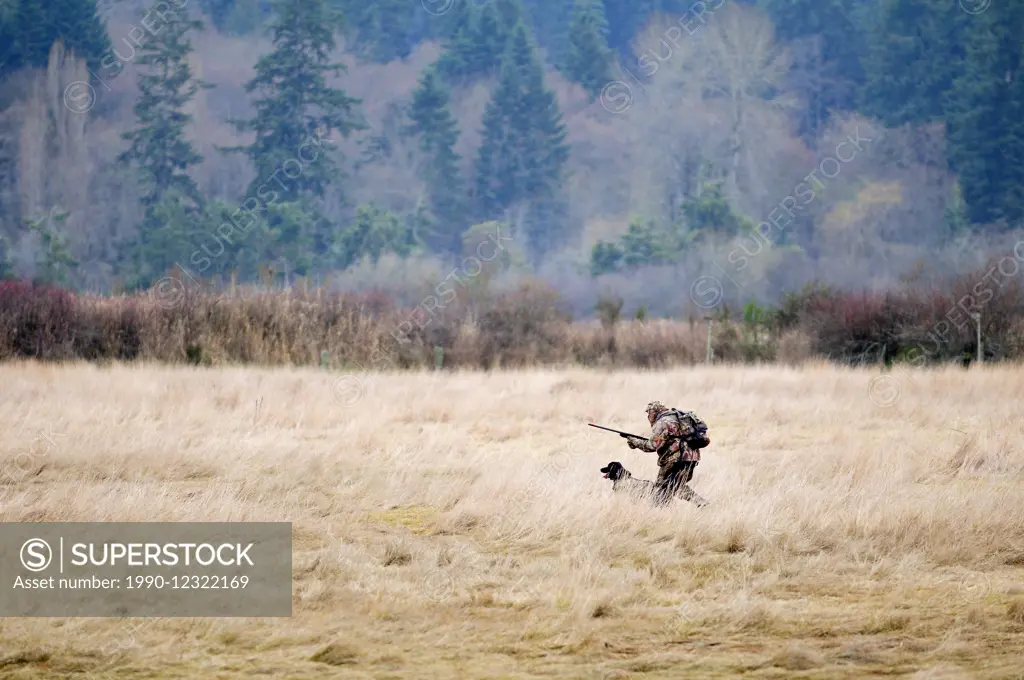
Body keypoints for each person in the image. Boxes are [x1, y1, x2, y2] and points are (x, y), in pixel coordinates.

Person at [624, 401, 708, 507]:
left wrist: (633, 441)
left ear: (654, 411)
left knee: (660, 488)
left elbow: (652, 446)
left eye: (648, 413)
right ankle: (701, 503)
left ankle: (659, 512)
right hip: (692, 458)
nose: (648, 416)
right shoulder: (676, 417)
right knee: (676, 486)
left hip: (675, 459)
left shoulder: (663, 422)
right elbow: (669, 439)